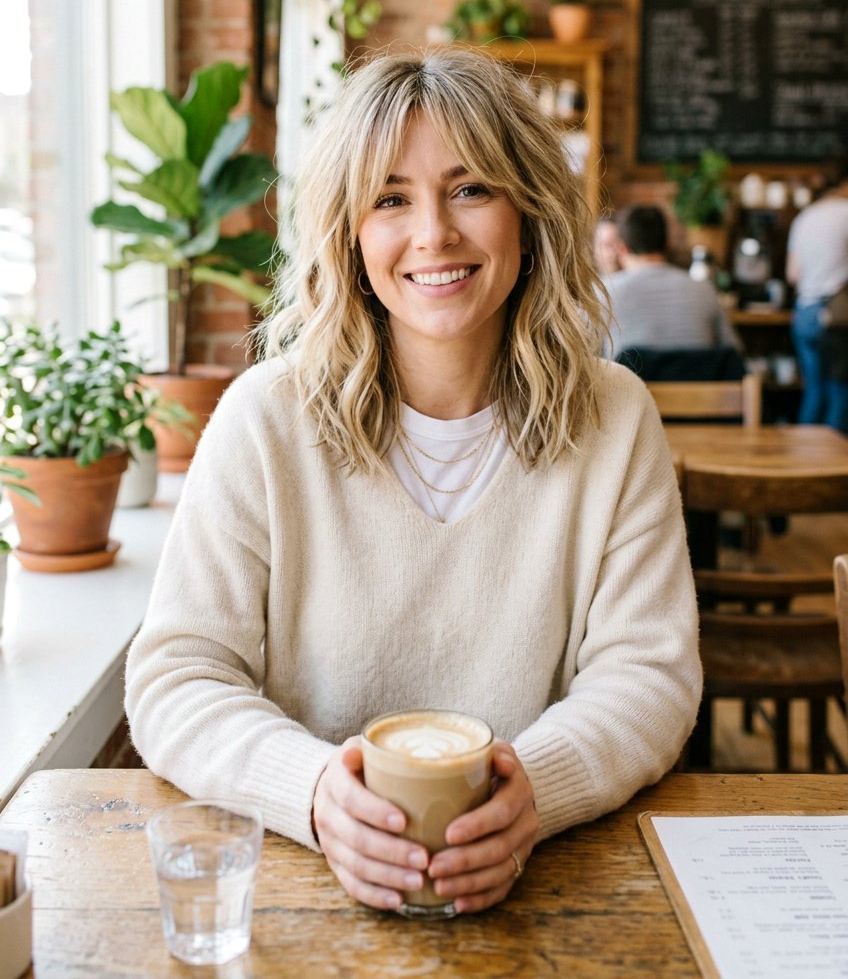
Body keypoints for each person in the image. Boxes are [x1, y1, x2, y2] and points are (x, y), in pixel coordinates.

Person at [125, 47, 701, 917]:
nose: (433, 233)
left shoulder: (615, 417)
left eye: (471, 188)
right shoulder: (265, 419)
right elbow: (178, 675)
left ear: (530, 211)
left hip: (543, 895)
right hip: (306, 896)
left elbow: (650, 676)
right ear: (349, 235)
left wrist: (535, 791)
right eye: (391, 199)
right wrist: (315, 792)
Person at [603, 204, 742, 360]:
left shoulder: (604, 291)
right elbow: (734, 353)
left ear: (622, 248)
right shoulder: (704, 289)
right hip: (695, 384)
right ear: (668, 244)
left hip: (630, 384)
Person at [785, 162, 848, 433]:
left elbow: (792, 274)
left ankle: (803, 468)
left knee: (813, 392)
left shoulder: (804, 218)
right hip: (836, 313)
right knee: (840, 392)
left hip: (805, 313)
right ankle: (833, 472)